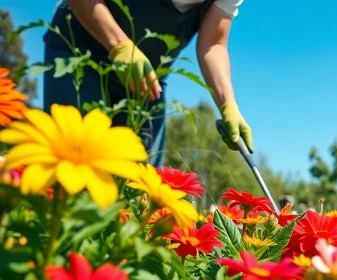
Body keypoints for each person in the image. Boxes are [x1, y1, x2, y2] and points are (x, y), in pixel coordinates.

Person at [43, 0, 252, 166]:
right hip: (79, 51)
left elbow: (213, 43)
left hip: (146, 81)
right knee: (71, 155)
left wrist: (228, 105)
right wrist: (119, 45)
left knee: (141, 184)